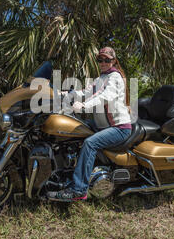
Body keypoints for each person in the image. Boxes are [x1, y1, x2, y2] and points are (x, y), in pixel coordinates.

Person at [47, 47, 132, 202]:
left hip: (119, 128)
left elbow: (105, 96)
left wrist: (85, 105)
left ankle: (79, 190)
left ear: (114, 61)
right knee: (73, 129)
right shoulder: (101, 78)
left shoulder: (115, 77)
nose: (103, 63)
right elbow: (85, 91)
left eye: (107, 60)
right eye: (100, 60)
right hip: (102, 126)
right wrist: (64, 94)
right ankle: (67, 172)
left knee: (90, 143)